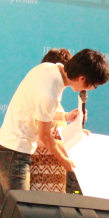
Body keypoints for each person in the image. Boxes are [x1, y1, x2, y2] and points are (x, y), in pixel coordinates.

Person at [0, 49, 109, 207]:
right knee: (18, 212)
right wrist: (64, 160)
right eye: (93, 85)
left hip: (7, 149)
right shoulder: (49, 93)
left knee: (9, 212)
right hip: (15, 153)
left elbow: (35, 108)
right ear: (82, 78)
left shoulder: (48, 68)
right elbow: (44, 136)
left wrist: (65, 116)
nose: (90, 89)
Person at [30, 48, 78, 193]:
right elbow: (33, 137)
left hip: (57, 176)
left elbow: (58, 133)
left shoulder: (57, 103)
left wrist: (77, 133)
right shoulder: (41, 97)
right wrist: (62, 145)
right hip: (38, 173)